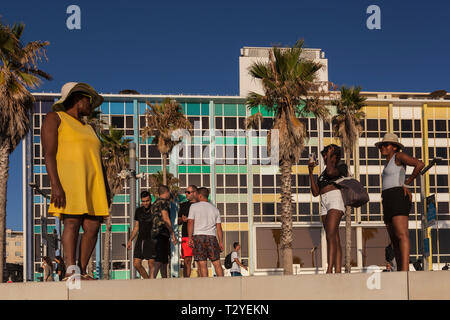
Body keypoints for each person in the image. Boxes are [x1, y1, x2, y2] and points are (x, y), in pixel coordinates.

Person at [41, 82, 110, 281]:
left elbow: (97, 160)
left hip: (92, 183)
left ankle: (82, 268)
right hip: (69, 180)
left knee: (93, 226)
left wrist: (105, 188)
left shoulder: (90, 127)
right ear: (76, 98)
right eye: (87, 99)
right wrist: (55, 184)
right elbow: (49, 153)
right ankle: (71, 269)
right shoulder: (56, 118)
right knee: (71, 221)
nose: (90, 104)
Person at [376, 133, 424, 272]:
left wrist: (407, 183)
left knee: (401, 234)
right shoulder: (387, 164)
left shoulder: (399, 156)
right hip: (387, 198)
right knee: (394, 238)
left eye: (385, 145)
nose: (382, 148)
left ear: (394, 147)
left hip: (398, 195)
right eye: (381, 146)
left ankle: (405, 271)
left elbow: (419, 164)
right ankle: (399, 270)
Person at [309, 144, 347, 273]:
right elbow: (315, 192)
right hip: (323, 202)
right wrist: (310, 172)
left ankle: (330, 270)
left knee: (330, 235)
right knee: (334, 236)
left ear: (335, 156)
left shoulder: (341, 167)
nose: (325, 156)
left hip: (335, 199)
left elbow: (332, 172)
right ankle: (337, 271)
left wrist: (331, 156)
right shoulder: (323, 174)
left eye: (327, 154)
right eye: (324, 154)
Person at [188, 187, 224, 277]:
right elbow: (219, 227)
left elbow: (190, 222)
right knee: (217, 263)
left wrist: (190, 238)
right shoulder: (215, 209)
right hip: (211, 237)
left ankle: (206, 286)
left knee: (202, 264)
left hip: (198, 236)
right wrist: (220, 242)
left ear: (200, 196)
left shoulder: (193, 207)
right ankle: (224, 284)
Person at [149, 185, 177, 278]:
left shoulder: (154, 203)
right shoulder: (163, 202)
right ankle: (151, 281)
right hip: (162, 233)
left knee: (164, 261)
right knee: (159, 259)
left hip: (154, 233)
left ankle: (165, 280)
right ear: (167, 192)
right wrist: (172, 233)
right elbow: (165, 218)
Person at [127, 191, 154, 279]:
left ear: (150, 199)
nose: (145, 203)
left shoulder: (154, 209)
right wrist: (130, 240)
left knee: (151, 264)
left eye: (147, 201)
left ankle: (152, 283)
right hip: (140, 239)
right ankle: (148, 281)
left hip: (151, 240)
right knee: (136, 264)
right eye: (143, 201)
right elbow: (136, 227)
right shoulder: (138, 211)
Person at [178, 185, 198, 277]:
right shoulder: (183, 205)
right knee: (187, 260)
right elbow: (178, 222)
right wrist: (182, 220)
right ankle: (187, 281)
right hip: (186, 235)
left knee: (200, 260)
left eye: (188, 192)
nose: (186, 194)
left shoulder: (200, 205)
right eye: (185, 192)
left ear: (194, 193)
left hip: (198, 235)